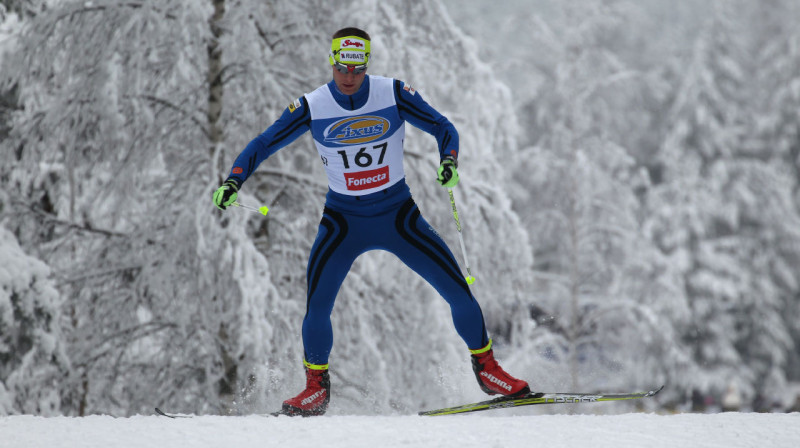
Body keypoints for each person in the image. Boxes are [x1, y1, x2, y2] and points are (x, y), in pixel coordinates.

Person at [213, 27, 530, 416]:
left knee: (458, 291)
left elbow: (443, 127)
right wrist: (234, 179)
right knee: (316, 308)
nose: (349, 77)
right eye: (343, 67)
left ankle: (488, 370)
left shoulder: (392, 92)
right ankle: (316, 388)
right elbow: (263, 143)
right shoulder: (313, 106)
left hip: (398, 216)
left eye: (357, 69)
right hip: (343, 222)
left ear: (367, 66)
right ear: (332, 62)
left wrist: (449, 161)